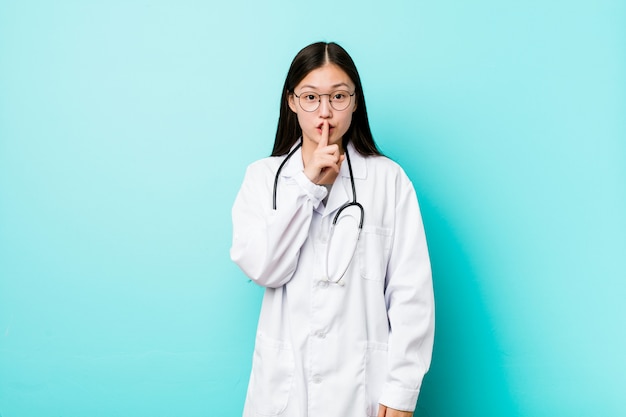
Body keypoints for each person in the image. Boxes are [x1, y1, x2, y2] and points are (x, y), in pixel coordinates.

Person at [230, 41, 434, 417]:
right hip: (284, 392)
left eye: (339, 96)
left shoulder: (388, 181)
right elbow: (264, 268)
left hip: (363, 390)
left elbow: (411, 293)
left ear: (356, 102)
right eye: (311, 97)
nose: (325, 112)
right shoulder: (262, 179)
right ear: (291, 101)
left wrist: (402, 389)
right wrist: (307, 186)